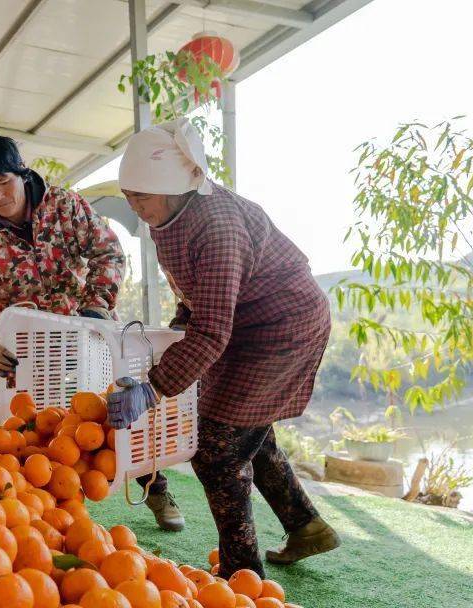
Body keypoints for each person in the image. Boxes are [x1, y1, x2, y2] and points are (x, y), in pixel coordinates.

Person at [107, 117, 339, 579]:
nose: (134, 207)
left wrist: (154, 386)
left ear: (172, 187)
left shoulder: (216, 226)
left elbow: (213, 329)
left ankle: (241, 573)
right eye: (129, 196)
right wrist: (176, 330)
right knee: (246, 429)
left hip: (282, 326)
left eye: (141, 197)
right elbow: (199, 295)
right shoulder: (169, 215)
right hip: (245, 322)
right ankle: (306, 525)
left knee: (216, 449)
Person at [0, 134, 182, 524]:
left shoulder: (65, 206)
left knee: (113, 414)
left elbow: (108, 251)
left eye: (5, 182)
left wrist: (97, 304)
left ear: (22, 172)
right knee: (19, 437)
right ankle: (31, 517)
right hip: (25, 351)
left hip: (86, 337)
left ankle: (156, 489)